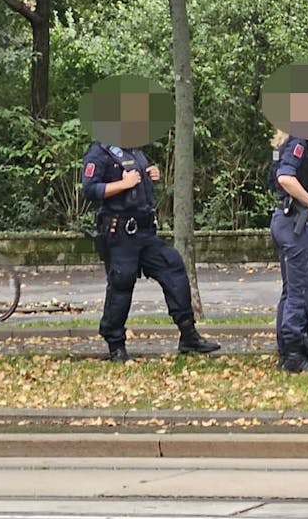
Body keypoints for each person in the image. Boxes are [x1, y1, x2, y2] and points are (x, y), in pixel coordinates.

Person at [82, 141, 220, 362]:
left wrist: (150, 176)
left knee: (173, 266)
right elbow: (90, 189)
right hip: (120, 232)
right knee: (122, 283)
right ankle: (115, 345)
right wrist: (122, 184)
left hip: (145, 232)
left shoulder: (134, 150)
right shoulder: (99, 152)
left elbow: (138, 185)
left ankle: (188, 335)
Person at [269, 130, 308, 372]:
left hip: (287, 220)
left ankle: (287, 348)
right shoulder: (298, 143)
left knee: (291, 290)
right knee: (300, 290)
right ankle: (294, 354)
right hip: (297, 223)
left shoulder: (290, 141)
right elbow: (285, 178)